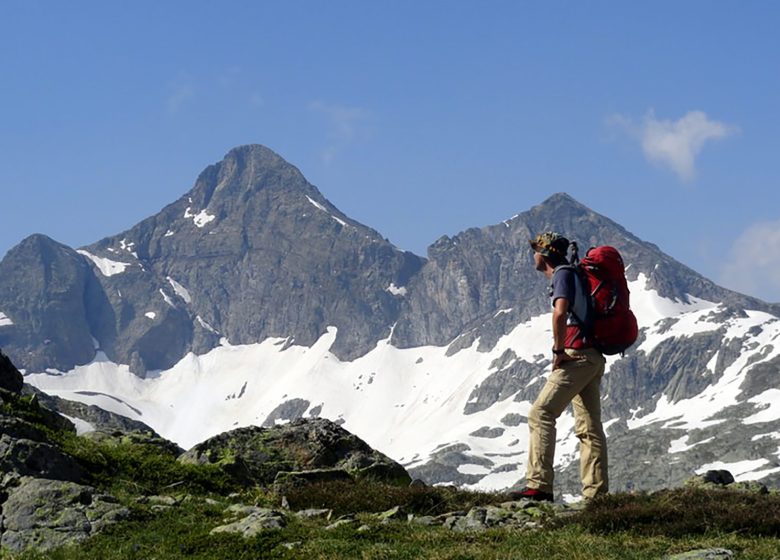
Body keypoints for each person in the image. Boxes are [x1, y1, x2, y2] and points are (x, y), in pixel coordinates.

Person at [510, 232, 608, 502]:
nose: (533, 255)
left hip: (577, 356)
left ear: (544, 254)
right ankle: (596, 494)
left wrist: (558, 350)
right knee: (589, 427)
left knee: (540, 412)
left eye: (535, 250)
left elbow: (560, 311)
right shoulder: (573, 273)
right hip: (593, 356)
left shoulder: (562, 274)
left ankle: (539, 486)